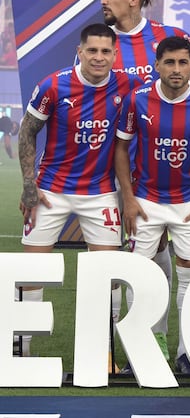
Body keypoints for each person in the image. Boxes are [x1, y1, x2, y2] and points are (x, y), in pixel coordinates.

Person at [16, 23, 144, 357]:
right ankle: (22, 350)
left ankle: (103, 354)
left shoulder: (129, 84)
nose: (98, 58)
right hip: (50, 190)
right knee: (33, 272)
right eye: (92, 51)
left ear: (115, 55)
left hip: (100, 192)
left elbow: (168, 92)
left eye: (105, 52)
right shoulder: (54, 86)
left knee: (109, 275)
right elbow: (27, 133)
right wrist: (29, 185)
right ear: (80, 51)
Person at [115, 36, 190, 375]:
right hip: (146, 202)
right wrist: (129, 199)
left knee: (189, 279)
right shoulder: (137, 100)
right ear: (157, 64)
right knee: (140, 277)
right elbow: (121, 149)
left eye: (183, 62)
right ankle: (143, 351)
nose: (176, 69)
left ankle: (187, 355)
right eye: (170, 62)